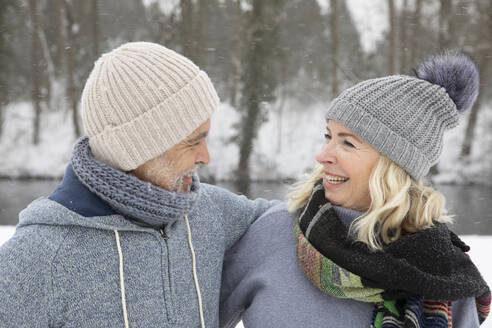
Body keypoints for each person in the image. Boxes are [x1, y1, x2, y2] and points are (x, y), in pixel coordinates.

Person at [0, 42, 275, 327]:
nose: (205, 157)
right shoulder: (38, 258)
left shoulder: (210, 213)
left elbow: (290, 221)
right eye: (193, 141)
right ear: (138, 149)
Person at [220, 51, 491, 328]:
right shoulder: (274, 234)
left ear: (393, 166)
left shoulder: (444, 275)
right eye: (328, 136)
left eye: (347, 143)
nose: (323, 155)